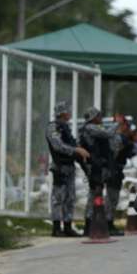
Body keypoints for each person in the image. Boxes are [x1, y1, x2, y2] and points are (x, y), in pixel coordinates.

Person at [45, 101, 90, 237]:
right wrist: (76, 150)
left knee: (70, 198)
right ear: (62, 113)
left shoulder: (66, 128)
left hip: (69, 167)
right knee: (58, 198)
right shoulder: (53, 127)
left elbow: (71, 144)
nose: (70, 113)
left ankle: (68, 226)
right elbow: (58, 146)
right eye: (67, 111)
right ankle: (57, 228)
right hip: (59, 168)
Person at [79, 107, 121, 236]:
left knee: (99, 195)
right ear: (93, 117)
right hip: (95, 167)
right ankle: (89, 225)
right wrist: (117, 123)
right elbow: (107, 134)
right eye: (98, 115)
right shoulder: (90, 128)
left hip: (101, 166)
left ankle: (101, 224)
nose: (100, 117)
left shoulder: (95, 127)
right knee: (94, 195)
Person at [106, 114, 137, 235]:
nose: (127, 127)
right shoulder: (117, 138)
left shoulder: (121, 137)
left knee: (113, 198)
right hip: (112, 170)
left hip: (116, 170)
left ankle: (109, 223)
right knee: (111, 198)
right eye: (125, 125)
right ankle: (108, 224)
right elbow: (114, 154)